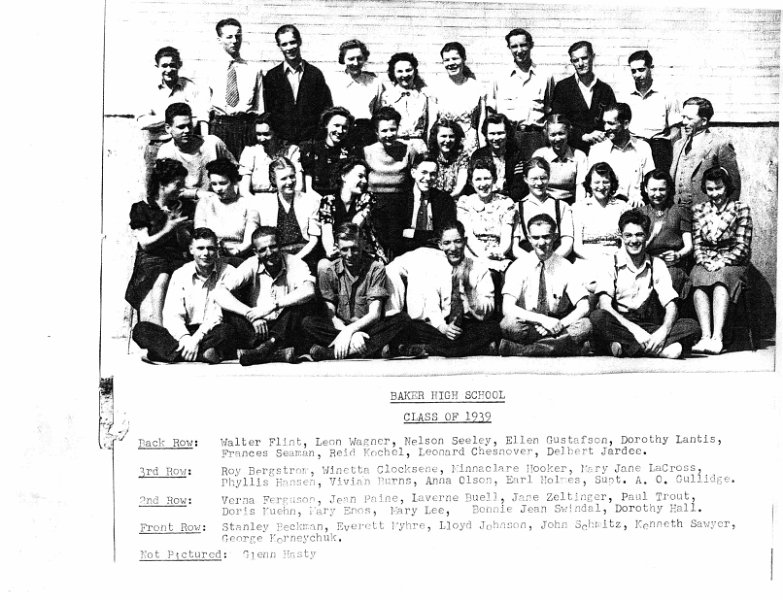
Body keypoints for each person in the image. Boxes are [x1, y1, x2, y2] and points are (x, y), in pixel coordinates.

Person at [589, 209, 700, 358]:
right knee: (598, 317)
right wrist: (635, 331)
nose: (633, 241)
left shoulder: (657, 264)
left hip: (649, 325)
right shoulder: (610, 263)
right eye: (628, 235)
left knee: (692, 326)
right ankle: (659, 350)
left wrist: (663, 332)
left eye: (639, 235)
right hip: (621, 323)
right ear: (621, 236)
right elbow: (605, 306)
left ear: (647, 236)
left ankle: (628, 347)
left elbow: (671, 305)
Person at [386, 221, 500, 357]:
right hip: (442, 327)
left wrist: (471, 295)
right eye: (447, 243)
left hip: (469, 324)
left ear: (465, 241)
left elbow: (488, 309)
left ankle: (428, 348)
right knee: (411, 326)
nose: (453, 248)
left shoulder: (479, 269)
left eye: (457, 241)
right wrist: (443, 327)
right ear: (440, 245)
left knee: (493, 328)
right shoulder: (435, 269)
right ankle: (476, 349)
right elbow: (431, 304)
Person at [301, 223, 411, 361]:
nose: (349, 255)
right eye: (344, 250)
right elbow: (331, 315)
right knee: (308, 323)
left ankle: (335, 353)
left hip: (368, 327)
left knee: (402, 319)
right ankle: (373, 349)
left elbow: (374, 314)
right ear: (337, 247)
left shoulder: (376, 268)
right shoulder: (328, 270)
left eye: (354, 249)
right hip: (339, 329)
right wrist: (348, 334)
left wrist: (351, 331)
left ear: (363, 244)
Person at [214, 226, 317, 365]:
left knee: (300, 305)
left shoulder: (295, 263)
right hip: (257, 329)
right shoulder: (251, 264)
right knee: (229, 308)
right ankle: (275, 353)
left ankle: (263, 351)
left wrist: (273, 306)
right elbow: (219, 292)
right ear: (256, 252)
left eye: (273, 247)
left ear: (280, 246)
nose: (269, 253)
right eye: (262, 250)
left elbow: (309, 290)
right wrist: (249, 315)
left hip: (285, 329)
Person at [131, 228, 235, 364]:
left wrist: (196, 340)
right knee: (141, 330)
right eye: (200, 248)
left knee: (227, 330)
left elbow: (217, 315)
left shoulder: (229, 273)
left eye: (210, 248)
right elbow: (172, 314)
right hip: (183, 332)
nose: (205, 253)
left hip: (209, 332)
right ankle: (202, 355)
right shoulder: (181, 274)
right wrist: (186, 338)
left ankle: (170, 354)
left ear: (217, 250)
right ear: (191, 250)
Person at [499, 214, 592, 356]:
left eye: (546, 237)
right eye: (536, 238)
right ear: (529, 238)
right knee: (508, 324)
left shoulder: (566, 266)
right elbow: (507, 307)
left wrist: (558, 324)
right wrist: (542, 320)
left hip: (558, 323)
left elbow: (584, 306)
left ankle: (521, 349)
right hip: (529, 322)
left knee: (586, 326)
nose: (541, 243)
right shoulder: (518, 266)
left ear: (555, 237)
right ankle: (565, 347)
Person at [690, 167, 753, 355]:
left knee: (721, 280)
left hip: (733, 263)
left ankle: (718, 337)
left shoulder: (740, 209)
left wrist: (722, 261)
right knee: (697, 278)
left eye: (718, 188)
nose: (714, 193)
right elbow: (697, 244)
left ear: (727, 187)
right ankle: (705, 336)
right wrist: (704, 261)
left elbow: (742, 246)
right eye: (710, 189)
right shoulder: (699, 210)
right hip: (707, 261)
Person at [125, 159, 195, 325]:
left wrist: (179, 229)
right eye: (177, 184)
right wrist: (169, 228)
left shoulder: (184, 207)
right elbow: (145, 244)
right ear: (162, 184)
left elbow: (186, 245)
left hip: (177, 259)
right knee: (163, 273)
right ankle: (157, 324)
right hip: (150, 260)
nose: (181, 189)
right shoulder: (142, 208)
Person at [137, 46, 209, 198]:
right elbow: (142, 122)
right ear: (157, 67)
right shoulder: (149, 90)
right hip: (156, 147)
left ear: (179, 65)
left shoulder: (190, 87)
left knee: (183, 190)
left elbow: (197, 117)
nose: (169, 69)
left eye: (172, 65)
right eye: (164, 66)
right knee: (154, 192)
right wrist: (172, 116)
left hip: (183, 147)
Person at [489, 28, 553, 162]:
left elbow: (549, 110)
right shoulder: (499, 77)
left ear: (531, 45)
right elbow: (491, 113)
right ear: (509, 48)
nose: (519, 50)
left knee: (536, 178)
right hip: (508, 138)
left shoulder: (545, 76)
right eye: (514, 46)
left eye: (523, 45)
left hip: (535, 138)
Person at [205, 18, 264, 160]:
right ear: (219, 39)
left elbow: (260, 109)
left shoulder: (254, 70)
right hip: (220, 127)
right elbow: (203, 111)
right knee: (221, 174)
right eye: (229, 37)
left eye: (238, 36)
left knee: (245, 172)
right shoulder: (209, 69)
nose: (235, 40)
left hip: (246, 128)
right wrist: (207, 141)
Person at [263, 24, 333, 144]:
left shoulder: (315, 74)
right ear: (279, 46)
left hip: (310, 142)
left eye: (292, 42)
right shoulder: (272, 76)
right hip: (282, 143)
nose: (289, 47)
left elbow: (325, 109)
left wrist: (316, 138)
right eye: (284, 44)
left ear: (299, 42)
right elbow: (268, 111)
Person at [363, 106, 418, 258]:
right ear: (376, 132)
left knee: (399, 253)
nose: (389, 134)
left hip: (401, 211)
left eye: (392, 129)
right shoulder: (367, 152)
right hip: (374, 211)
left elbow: (416, 184)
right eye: (384, 130)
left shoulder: (409, 150)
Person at [311, 157, 386, 264]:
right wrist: (329, 249)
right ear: (344, 176)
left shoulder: (367, 198)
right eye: (360, 176)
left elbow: (355, 225)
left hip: (364, 252)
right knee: (324, 265)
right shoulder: (328, 201)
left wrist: (340, 246)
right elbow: (326, 229)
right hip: (339, 252)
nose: (364, 181)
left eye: (365, 177)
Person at [156, 102, 237, 201]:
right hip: (185, 206)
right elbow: (165, 190)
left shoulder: (212, 143)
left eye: (189, 126)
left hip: (217, 202)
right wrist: (197, 193)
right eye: (181, 127)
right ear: (168, 128)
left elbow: (236, 170)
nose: (187, 130)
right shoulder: (166, 152)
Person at [670, 97, 741, 208]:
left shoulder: (720, 144)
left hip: (706, 214)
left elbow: (734, 184)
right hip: (677, 212)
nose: (684, 122)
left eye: (689, 118)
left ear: (703, 121)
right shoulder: (678, 145)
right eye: (683, 117)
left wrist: (726, 214)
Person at [618, 50, 681, 172]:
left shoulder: (666, 93)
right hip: (634, 146)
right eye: (633, 71)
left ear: (651, 68)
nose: (637, 74)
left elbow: (675, 128)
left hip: (660, 148)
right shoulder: (624, 95)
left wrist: (675, 157)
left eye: (641, 70)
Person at [257, 157, 322, 273]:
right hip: (277, 257)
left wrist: (295, 260)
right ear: (273, 181)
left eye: (292, 176)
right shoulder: (265, 205)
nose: (289, 182)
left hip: (305, 255)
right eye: (283, 179)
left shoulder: (310, 201)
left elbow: (314, 240)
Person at [551, 41, 617, 155]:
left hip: (600, 150)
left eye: (584, 58)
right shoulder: (562, 88)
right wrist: (582, 136)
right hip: (571, 151)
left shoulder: (605, 90)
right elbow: (558, 122)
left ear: (593, 57)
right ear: (571, 62)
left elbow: (613, 121)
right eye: (576, 60)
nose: (580, 63)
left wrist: (602, 134)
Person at [572, 162, 629, 290]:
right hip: (587, 260)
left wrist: (615, 259)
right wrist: (599, 260)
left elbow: (626, 242)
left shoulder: (622, 207)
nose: (601, 187)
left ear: (612, 183)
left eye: (606, 182)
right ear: (589, 184)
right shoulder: (579, 208)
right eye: (597, 182)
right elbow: (577, 247)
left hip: (616, 259)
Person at [195, 159, 261, 266]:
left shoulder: (248, 204)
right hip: (209, 256)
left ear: (234, 181)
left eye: (223, 183)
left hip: (240, 257)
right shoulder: (205, 203)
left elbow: (249, 240)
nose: (218, 189)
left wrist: (236, 252)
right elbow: (200, 236)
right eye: (214, 184)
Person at [456, 159, 517, 273]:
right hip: (473, 255)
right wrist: (483, 256)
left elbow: (506, 237)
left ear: (493, 179)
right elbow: (468, 236)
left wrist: (498, 252)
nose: (483, 184)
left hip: (498, 255)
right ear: (471, 182)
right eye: (478, 179)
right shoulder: (465, 204)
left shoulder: (506, 203)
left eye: (487, 178)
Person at [587, 102, 653, 207]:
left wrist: (639, 198)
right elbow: (590, 188)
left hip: (636, 209)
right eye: (605, 123)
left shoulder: (643, 148)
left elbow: (651, 183)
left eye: (611, 123)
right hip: (606, 209)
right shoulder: (597, 151)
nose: (606, 128)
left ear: (626, 124)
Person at [640, 169, 693, 297]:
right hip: (647, 265)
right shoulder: (640, 213)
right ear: (646, 189)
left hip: (672, 266)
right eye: (653, 189)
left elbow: (689, 245)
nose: (657, 194)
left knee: (668, 283)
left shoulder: (679, 211)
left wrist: (678, 255)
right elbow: (637, 247)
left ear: (668, 189)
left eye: (661, 189)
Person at [512, 157, 574, 258]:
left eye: (543, 178)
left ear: (549, 178)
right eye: (534, 179)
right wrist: (533, 263)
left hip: (557, 261)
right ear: (525, 179)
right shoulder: (516, 208)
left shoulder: (562, 207)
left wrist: (550, 262)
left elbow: (567, 243)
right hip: (528, 262)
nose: (539, 183)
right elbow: (515, 248)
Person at [432, 42, 486, 154]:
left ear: (463, 59)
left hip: (470, 147)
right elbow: (432, 126)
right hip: (446, 147)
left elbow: (482, 126)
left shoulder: (477, 88)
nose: (451, 63)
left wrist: (482, 153)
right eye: (446, 60)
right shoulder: (436, 88)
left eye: (455, 58)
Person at [399, 153, 457, 255]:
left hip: (436, 255)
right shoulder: (400, 199)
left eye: (433, 174)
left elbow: (445, 236)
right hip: (404, 255)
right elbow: (394, 237)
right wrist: (429, 236)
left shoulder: (444, 200)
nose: (428, 178)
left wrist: (413, 234)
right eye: (424, 172)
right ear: (413, 172)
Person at [238, 112, 303, 202]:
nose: (261, 138)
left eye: (266, 134)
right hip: (257, 200)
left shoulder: (292, 151)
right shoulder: (250, 151)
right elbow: (244, 190)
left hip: (286, 200)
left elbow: (299, 186)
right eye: (258, 134)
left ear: (277, 133)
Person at [329, 39, 382, 146]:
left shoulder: (375, 83)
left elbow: (378, 113)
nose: (355, 63)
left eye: (359, 58)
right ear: (343, 59)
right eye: (351, 59)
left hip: (366, 137)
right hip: (340, 135)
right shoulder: (333, 82)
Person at [379, 52, 435, 154]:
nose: (405, 75)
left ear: (414, 71)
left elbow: (430, 126)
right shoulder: (386, 97)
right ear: (393, 73)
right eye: (400, 71)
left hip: (419, 148)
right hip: (394, 147)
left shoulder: (424, 97)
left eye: (408, 70)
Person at [300, 106, 360, 197]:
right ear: (326, 124)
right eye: (336, 125)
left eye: (344, 127)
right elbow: (308, 186)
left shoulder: (350, 152)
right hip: (314, 198)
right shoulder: (312, 148)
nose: (340, 131)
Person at [532, 113, 588, 205]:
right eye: (552, 135)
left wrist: (577, 209)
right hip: (545, 203)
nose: (557, 139)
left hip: (570, 204)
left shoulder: (579, 156)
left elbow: (580, 188)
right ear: (547, 135)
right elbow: (535, 187)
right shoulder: (540, 155)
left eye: (561, 134)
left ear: (568, 133)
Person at [470, 113, 526, 199]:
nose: (496, 138)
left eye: (500, 133)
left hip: (511, 200)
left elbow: (519, 186)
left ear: (507, 133)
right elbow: (473, 185)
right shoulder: (478, 155)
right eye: (492, 134)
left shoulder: (516, 155)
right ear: (486, 134)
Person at [428, 118, 470, 198]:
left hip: (455, 200)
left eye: (451, 136)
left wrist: (448, 199)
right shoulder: (430, 157)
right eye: (443, 136)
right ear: (435, 137)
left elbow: (461, 185)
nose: (447, 140)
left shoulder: (462, 157)